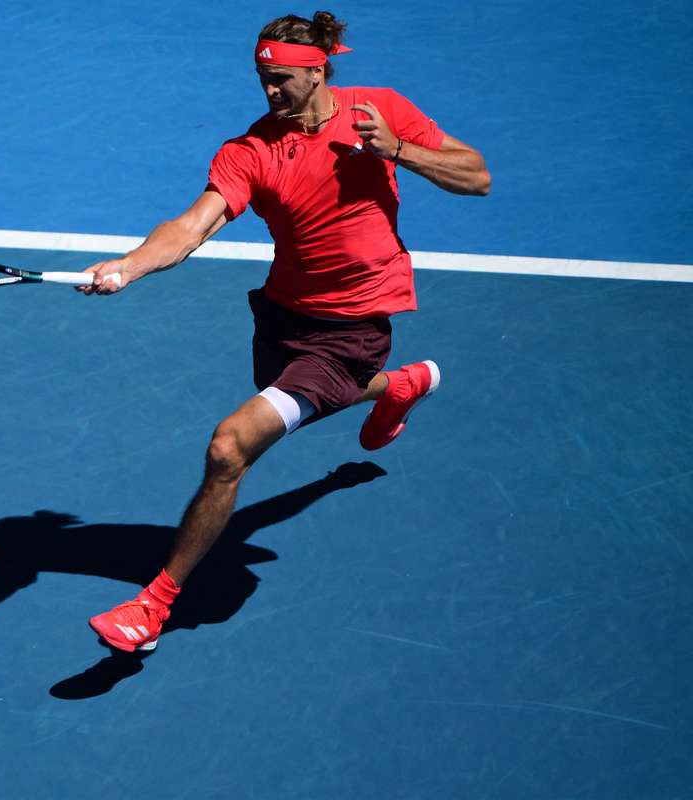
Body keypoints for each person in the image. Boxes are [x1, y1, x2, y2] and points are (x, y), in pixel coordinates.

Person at [80, 11, 491, 653]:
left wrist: (398, 151)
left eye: (281, 79)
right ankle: (396, 387)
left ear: (317, 68)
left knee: (229, 448)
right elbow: (192, 226)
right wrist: (129, 266)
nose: (270, 92)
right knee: (295, 394)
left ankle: (151, 608)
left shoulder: (376, 113)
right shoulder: (250, 151)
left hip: (353, 327)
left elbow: (477, 177)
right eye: (261, 79)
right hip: (284, 316)